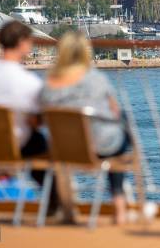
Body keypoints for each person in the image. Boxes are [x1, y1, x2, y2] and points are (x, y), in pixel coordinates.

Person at [0, 20, 60, 215]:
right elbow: (38, 120)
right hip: (15, 145)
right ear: (23, 43)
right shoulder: (28, 82)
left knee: (36, 141)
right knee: (41, 144)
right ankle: (55, 205)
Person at [39, 31, 131, 225]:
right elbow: (115, 111)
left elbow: (42, 116)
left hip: (65, 149)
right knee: (122, 128)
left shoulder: (49, 84)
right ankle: (119, 205)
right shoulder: (96, 78)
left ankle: (66, 208)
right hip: (102, 146)